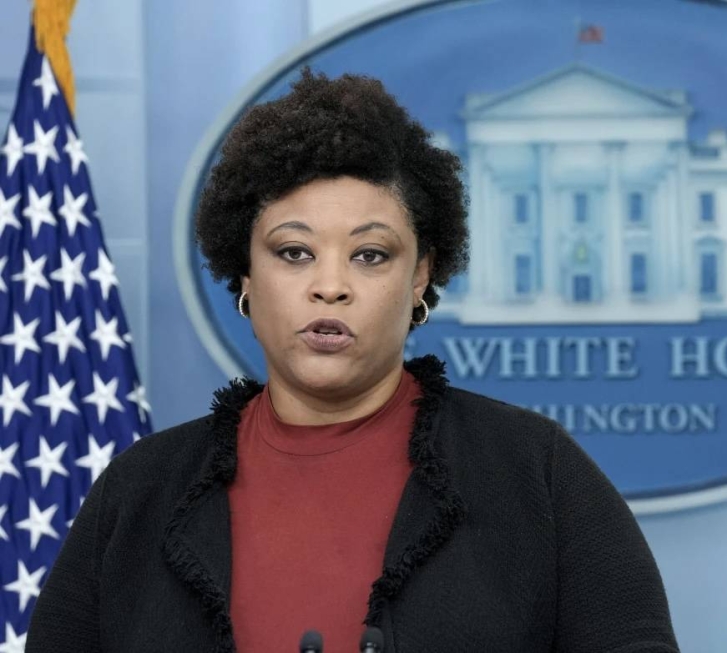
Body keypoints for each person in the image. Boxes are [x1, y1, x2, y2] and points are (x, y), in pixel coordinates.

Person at [27, 70, 680, 652]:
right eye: (294, 253)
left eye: (370, 255)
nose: (330, 286)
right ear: (245, 273)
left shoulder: (538, 471)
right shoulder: (139, 490)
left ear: (420, 276)